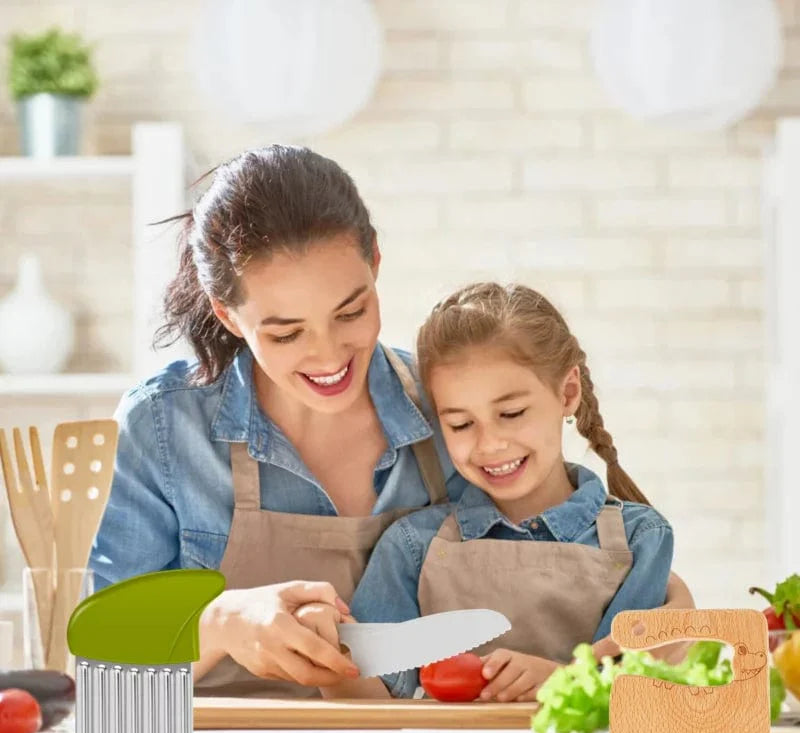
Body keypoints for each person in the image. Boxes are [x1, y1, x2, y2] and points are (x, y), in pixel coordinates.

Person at [88, 145, 693, 698]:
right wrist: (220, 622)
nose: (327, 355)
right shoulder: (164, 427)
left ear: (375, 262)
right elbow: (102, 674)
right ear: (228, 313)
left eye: (351, 312)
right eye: (286, 332)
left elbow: (552, 561)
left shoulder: (449, 413)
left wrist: (667, 604)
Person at [310, 282, 689, 702]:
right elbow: (372, 704)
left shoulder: (642, 540)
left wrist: (557, 680)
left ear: (568, 393)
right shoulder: (412, 547)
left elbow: (636, 692)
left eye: (510, 413)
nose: (489, 444)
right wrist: (327, 659)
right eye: (460, 424)